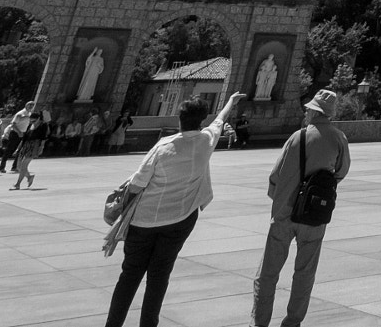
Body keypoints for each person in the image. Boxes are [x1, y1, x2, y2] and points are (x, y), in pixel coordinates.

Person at [104, 91, 244, 327]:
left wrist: (124, 211)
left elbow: (137, 184)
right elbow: (219, 120)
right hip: (180, 220)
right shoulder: (206, 141)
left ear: (179, 119)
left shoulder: (163, 146)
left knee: (129, 275)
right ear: (201, 121)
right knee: (159, 276)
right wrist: (231, 101)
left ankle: (113, 324)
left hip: (145, 221)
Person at [250, 89, 350, 327]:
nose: (306, 112)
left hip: (285, 213)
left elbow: (275, 174)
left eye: (308, 109)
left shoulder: (298, 137)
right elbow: (341, 171)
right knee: (304, 274)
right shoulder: (339, 138)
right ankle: (292, 322)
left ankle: (259, 322)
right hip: (315, 215)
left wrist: (278, 201)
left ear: (315, 112)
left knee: (267, 274)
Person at [13, 110, 50, 189]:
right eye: (31, 120)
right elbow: (24, 138)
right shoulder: (30, 125)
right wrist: (18, 148)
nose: (32, 121)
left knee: (23, 165)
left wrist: (41, 147)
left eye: (34, 120)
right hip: (26, 145)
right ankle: (29, 177)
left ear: (39, 118)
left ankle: (18, 184)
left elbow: (43, 137)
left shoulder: (43, 125)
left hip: (35, 145)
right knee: (19, 166)